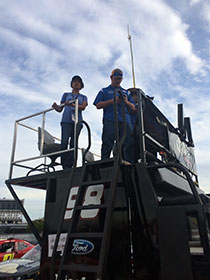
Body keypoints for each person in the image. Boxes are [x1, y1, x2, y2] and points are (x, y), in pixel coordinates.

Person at [93, 68, 135, 162]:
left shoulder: (127, 92)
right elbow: (98, 105)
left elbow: (133, 107)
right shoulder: (104, 91)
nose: (118, 80)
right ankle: (104, 163)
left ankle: (128, 165)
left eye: (120, 79)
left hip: (125, 121)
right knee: (107, 143)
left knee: (127, 143)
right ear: (111, 78)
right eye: (116, 78)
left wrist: (126, 102)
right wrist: (113, 101)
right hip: (110, 120)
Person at [52, 75, 88, 169]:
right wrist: (56, 107)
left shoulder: (83, 97)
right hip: (66, 121)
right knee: (64, 142)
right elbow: (60, 109)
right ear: (71, 84)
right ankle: (64, 165)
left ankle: (71, 164)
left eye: (78, 82)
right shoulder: (66, 95)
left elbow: (83, 107)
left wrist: (72, 105)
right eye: (74, 81)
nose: (76, 83)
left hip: (77, 122)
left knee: (73, 143)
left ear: (81, 85)